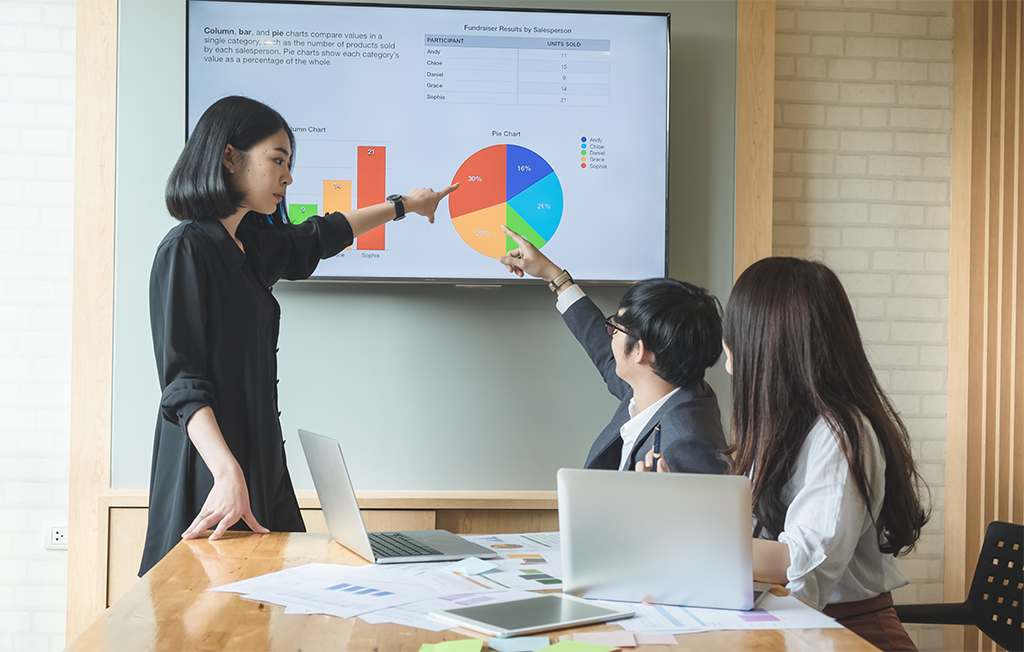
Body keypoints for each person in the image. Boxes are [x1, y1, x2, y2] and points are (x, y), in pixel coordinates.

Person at [140, 96, 457, 575]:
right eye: (278, 160)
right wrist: (227, 473)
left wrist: (403, 206)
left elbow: (320, 235)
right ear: (229, 157)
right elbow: (183, 384)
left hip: (260, 462)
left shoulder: (251, 245)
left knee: (273, 608)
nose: (288, 177)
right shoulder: (186, 249)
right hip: (211, 468)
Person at [640, 257, 929, 652]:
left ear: (766, 344)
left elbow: (802, 560)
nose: (728, 362)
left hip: (850, 635)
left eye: (735, 341)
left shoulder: (841, 433)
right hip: (795, 623)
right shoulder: (785, 426)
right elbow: (758, 536)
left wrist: (690, 535)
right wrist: (684, 510)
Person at [498, 226, 727, 474]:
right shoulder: (661, 387)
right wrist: (554, 276)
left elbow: (702, 512)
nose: (611, 333)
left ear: (640, 351)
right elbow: (603, 350)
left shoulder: (686, 443)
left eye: (616, 327)